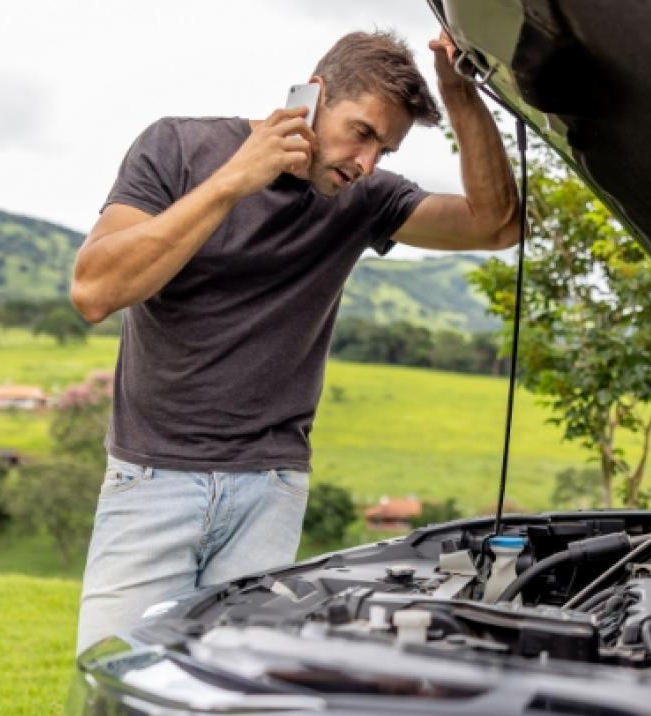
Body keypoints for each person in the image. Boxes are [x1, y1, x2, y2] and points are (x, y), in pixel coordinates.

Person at [70, 29, 519, 654]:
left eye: (384, 150)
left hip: (270, 490)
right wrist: (234, 181)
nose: (366, 164)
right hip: (151, 480)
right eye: (361, 133)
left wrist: (460, 94)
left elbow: (496, 225)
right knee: (115, 674)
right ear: (312, 95)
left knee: (240, 692)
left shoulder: (362, 199)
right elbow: (96, 290)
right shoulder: (177, 146)